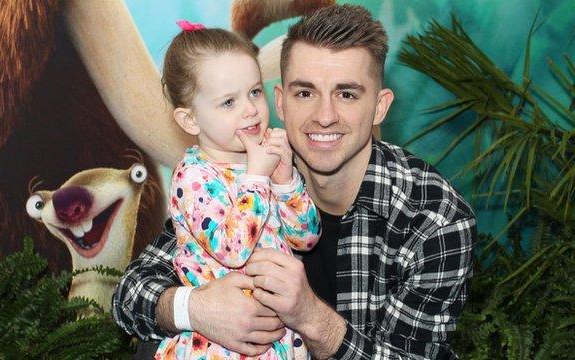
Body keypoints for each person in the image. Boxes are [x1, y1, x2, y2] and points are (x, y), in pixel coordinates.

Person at [113, 5, 476, 359]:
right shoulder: (238, 168)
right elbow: (129, 294)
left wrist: (311, 317)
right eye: (305, 93)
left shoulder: (434, 220)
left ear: (380, 107)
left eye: (346, 94)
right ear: (282, 103)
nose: (324, 116)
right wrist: (195, 308)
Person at [151, 21, 321, 359]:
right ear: (190, 121)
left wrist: (287, 182)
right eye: (228, 102)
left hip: (277, 340)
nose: (250, 109)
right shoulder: (193, 178)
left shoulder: (263, 158)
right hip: (220, 348)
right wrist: (258, 177)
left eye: (254, 92)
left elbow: (307, 238)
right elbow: (232, 249)